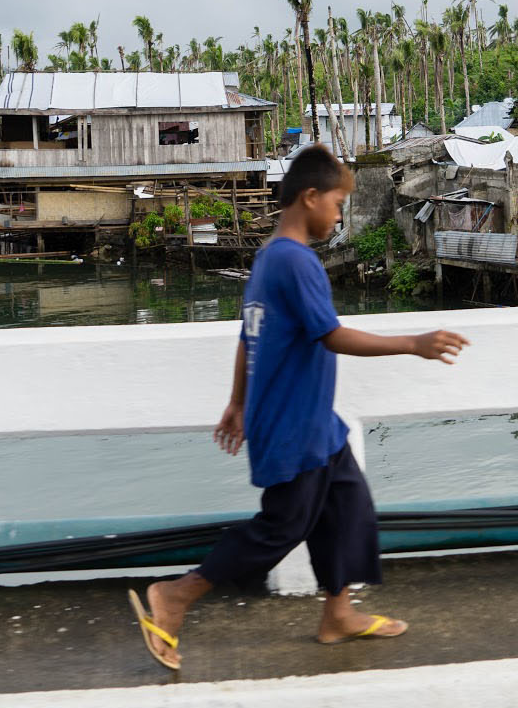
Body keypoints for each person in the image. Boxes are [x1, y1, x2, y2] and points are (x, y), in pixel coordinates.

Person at [127, 146, 469, 671]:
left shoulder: (268, 257)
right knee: (280, 529)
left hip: (313, 423)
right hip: (293, 426)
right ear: (309, 197)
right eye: (336, 203)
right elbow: (331, 335)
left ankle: (338, 613)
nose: (338, 214)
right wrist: (412, 343)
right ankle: (176, 596)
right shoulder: (297, 260)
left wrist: (237, 403)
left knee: (346, 509)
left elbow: (249, 336)